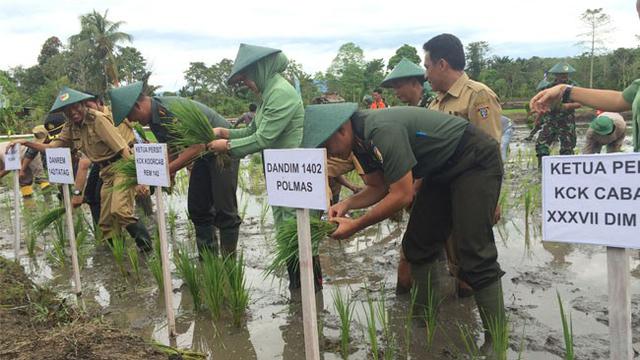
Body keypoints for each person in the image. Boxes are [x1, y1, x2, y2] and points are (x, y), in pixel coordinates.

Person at [302, 103, 505, 354]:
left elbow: (402, 195)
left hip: (474, 160)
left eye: (326, 145)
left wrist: (356, 225)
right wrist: (346, 204)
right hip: (440, 170)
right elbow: (377, 187)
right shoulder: (360, 143)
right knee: (417, 245)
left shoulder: (381, 131)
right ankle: (424, 319)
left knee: (474, 251)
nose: (327, 152)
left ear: (342, 130)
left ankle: (497, 342)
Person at [206, 43, 323, 291]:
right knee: (285, 229)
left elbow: (264, 139)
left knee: (297, 232)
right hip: (281, 172)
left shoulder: (280, 92)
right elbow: (252, 131)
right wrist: (224, 131)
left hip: (294, 172)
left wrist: (225, 146)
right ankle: (299, 295)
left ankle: (309, 294)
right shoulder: (267, 95)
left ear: (262, 68)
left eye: (248, 76)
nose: (247, 82)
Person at [8, 87, 152, 250]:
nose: (73, 112)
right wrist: (26, 142)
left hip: (121, 167)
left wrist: (139, 179)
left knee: (119, 210)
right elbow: (54, 147)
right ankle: (118, 258)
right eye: (67, 110)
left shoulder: (98, 120)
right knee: (106, 223)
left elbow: (122, 149)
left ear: (83, 104)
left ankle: (147, 250)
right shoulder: (70, 126)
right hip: (105, 172)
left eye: (75, 106)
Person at [109, 81, 241, 258]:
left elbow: (196, 146)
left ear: (138, 105)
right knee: (198, 207)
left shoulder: (170, 110)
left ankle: (229, 263)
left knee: (224, 210)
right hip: (203, 154)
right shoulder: (154, 119)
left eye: (130, 115)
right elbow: (172, 147)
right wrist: (167, 172)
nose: (131, 121)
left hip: (223, 149)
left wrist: (167, 169)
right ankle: (208, 262)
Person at [423, 33, 503, 297]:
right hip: (444, 188)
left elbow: (491, 150)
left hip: (471, 189)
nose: (426, 74)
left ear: (442, 64)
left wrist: (492, 199)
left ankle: (482, 321)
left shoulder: (477, 95)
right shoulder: (436, 102)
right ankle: (463, 315)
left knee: (473, 254)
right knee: (453, 255)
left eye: (428, 66)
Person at [534, 62, 582, 165]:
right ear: (556, 75)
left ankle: (566, 171)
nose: (563, 77)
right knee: (541, 145)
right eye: (561, 75)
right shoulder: (549, 87)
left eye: (565, 74)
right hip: (550, 120)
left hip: (567, 121)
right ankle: (543, 168)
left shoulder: (574, 87)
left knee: (567, 148)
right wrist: (538, 118)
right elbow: (542, 103)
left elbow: (580, 103)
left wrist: (567, 106)